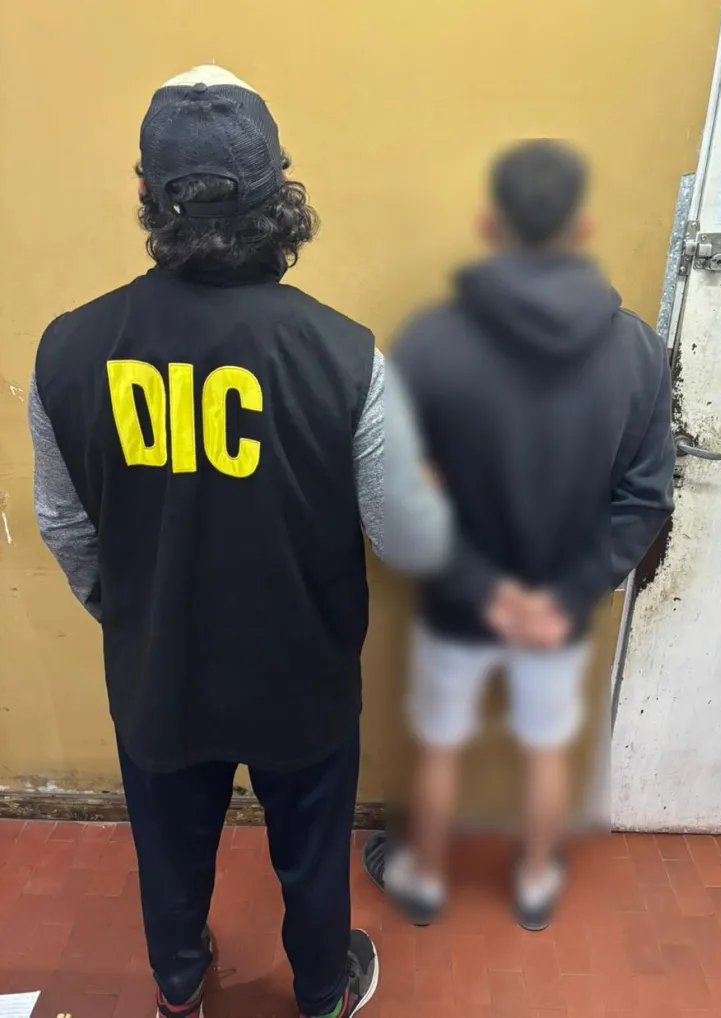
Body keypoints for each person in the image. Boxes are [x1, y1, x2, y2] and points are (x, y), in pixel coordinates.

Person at [28, 66, 454, 1018]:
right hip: (300, 674)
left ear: (148, 193)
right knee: (310, 845)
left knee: (167, 841)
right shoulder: (348, 356)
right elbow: (405, 538)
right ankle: (320, 992)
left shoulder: (66, 350)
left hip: (159, 670)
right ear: (279, 190)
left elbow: (63, 525)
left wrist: (132, 613)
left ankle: (179, 987)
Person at [363, 139, 675, 930]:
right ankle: (536, 882)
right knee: (544, 746)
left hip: (461, 595)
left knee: (439, 741)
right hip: (561, 600)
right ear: (582, 229)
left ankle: (422, 879)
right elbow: (645, 497)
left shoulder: (432, 342)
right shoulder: (639, 350)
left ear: (490, 226)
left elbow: (404, 489)